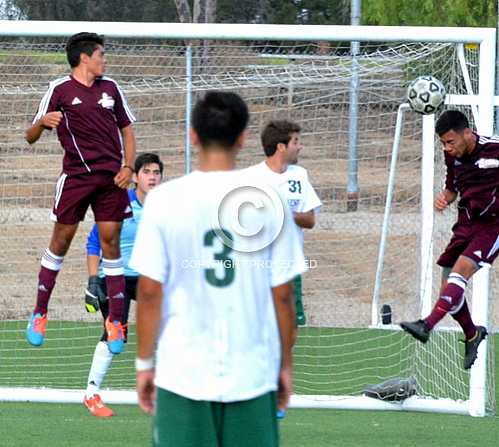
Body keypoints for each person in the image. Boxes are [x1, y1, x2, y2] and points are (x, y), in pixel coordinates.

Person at [130, 91, 307, 447]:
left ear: (193, 135)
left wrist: (145, 363)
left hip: (183, 373)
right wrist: (284, 364)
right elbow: (283, 296)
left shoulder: (164, 200)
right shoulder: (269, 198)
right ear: (243, 138)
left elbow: (149, 292)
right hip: (252, 374)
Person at [25, 32, 136, 355]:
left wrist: (129, 167)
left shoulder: (111, 88)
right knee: (61, 241)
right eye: (101, 54)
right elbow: (30, 136)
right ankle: (40, 312)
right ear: (85, 58)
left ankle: (115, 321)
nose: (105, 59)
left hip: (111, 180)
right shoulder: (59, 90)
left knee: (111, 244)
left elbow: (127, 131)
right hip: (75, 179)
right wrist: (43, 122)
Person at [400, 110, 492, 370]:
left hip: (493, 226)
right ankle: (472, 334)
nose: (446, 147)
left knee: (460, 273)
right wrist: (445, 197)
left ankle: (426, 325)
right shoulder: (452, 157)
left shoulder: (494, 150)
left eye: (450, 141)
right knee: (448, 293)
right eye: (442, 143)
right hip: (466, 224)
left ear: (467, 133)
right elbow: (452, 188)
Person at [83, 153, 163, 417]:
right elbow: (94, 243)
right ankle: (91, 394)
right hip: (113, 276)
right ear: (136, 177)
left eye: (157, 172)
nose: (153, 177)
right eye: (147, 172)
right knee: (115, 340)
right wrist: (94, 280)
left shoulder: (164, 208)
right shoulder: (118, 203)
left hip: (146, 278)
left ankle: (167, 391)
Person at [246, 120, 322, 326]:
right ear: (281, 147)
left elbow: (309, 220)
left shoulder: (300, 175)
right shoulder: (251, 177)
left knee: (291, 332)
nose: (300, 146)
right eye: (295, 141)